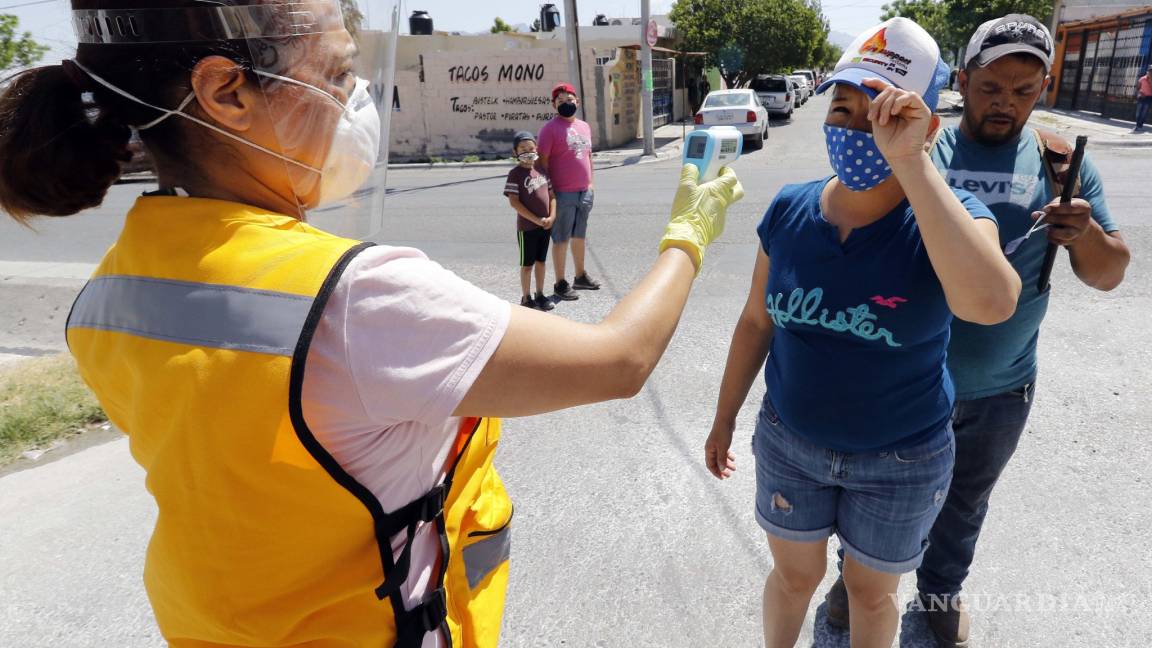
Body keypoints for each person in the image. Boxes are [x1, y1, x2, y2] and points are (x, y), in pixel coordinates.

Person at [0, 1, 744, 646]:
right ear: (227, 91)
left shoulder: (110, 288)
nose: (356, 99)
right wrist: (689, 235)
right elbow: (620, 361)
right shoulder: (354, 299)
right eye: (333, 73)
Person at [704, 18, 1021, 648]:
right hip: (790, 442)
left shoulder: (949, 220)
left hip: (902, 458)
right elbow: (755, 321)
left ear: (926, 126)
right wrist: (724, 419)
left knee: (871, 595)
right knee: (794, 579)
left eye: (880, 112)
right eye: (842, 107)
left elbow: (990, 303)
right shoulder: (790, 210)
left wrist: (911, 164)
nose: (854, 128)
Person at [820, 14, 1131, 647]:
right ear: (964, 80)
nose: (1006, 103)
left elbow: (1108, 274)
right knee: (872, 498)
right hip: (905, 377)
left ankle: (939, 594)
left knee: (963, 505)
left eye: (1023, 90)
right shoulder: (920, 145)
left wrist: (1085, 234)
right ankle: (854, 587)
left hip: (1000, 382)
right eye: (992, 88)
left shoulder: (1060, 161)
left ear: (1043, 87)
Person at [537, 82, 600, 301]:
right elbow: (541, 163)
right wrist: (550, 192)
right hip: (562, 194)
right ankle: (560, 283)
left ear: (577, 102)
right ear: (554, 104)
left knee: (579, 236)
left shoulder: (584, 126)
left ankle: (580, 276)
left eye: (569, 100)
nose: (566, 104)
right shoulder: (550, 129)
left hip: (584, 192)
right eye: (561, 101)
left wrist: (590, 183)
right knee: (561, 238)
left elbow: (588, 156)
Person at [504, 131, 555, 311]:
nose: (527, 151)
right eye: (523, 149)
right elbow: (514, 202)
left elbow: (552, 196)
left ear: (536, 149)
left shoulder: (541, 170)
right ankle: (526, 298)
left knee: (541, 262)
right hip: (527, 229)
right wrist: (536, 220)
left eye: (531, 148)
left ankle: (540, 294)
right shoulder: (515, 174)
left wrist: (551, 217)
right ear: (515, 152)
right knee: (527, 265)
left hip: (545, 226)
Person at [1135, 64, 1152, 132]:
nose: (1150, 72)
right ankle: (1137, 125)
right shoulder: (1142, 78)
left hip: (1149, 97)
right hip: (1141, 97)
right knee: (1138, 112)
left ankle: (1140, 125)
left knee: (1144, 112)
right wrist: (1140, 92)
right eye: (1150, 71)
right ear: (1147, 71)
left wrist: (1150, 81)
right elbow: (1138, 87)